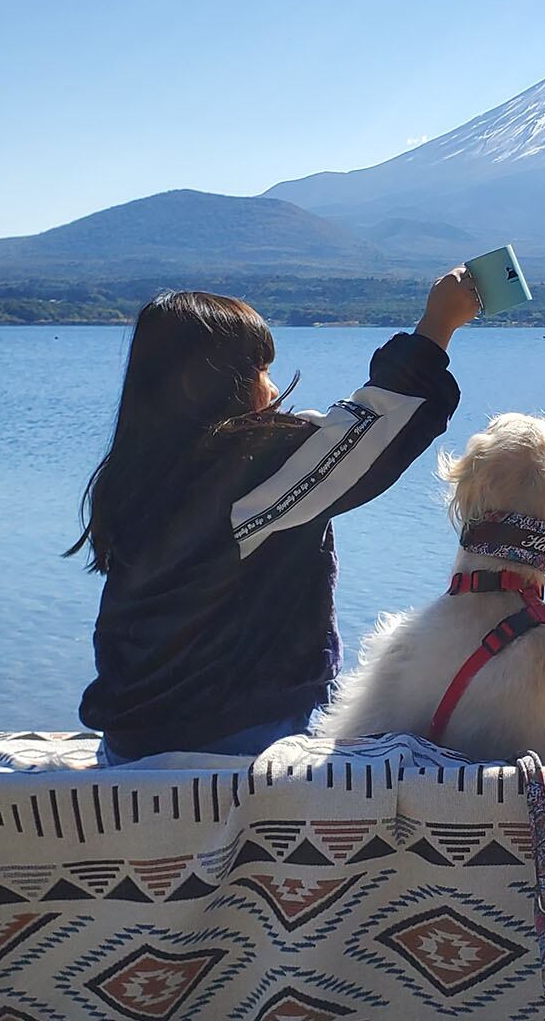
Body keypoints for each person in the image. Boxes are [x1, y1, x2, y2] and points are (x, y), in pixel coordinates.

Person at [68, 274, 479, 763]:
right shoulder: (244, 474)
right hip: (231, 742)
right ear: (217, 382)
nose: (269, 385)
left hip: (128, 742)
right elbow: (376, 435)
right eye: (260, 370)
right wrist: (438, 326)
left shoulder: (136, 472)